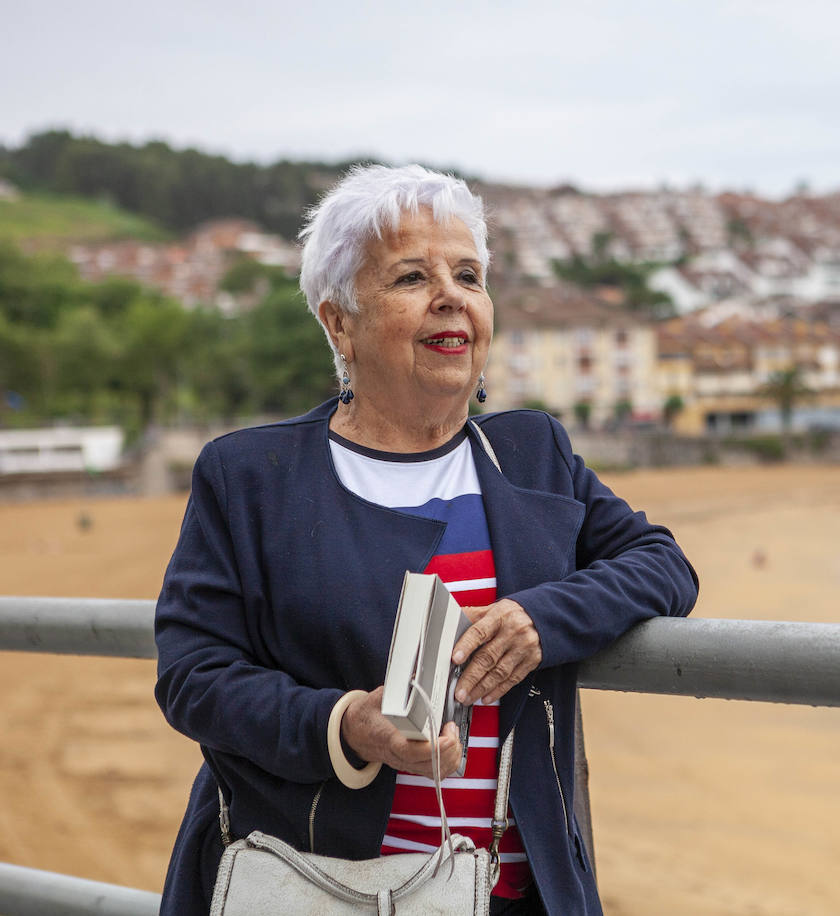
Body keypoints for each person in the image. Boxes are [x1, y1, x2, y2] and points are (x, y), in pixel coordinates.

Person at [154, 164, 698, 915]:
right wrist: (346, 726)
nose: (452, 296)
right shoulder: (252, 476)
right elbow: (193, 677)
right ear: (339, 321)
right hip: (314, 888)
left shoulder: (532, 452)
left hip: (514, 895)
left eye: (468, 275)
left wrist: (544, 619)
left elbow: (662, 565)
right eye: (412, 277)